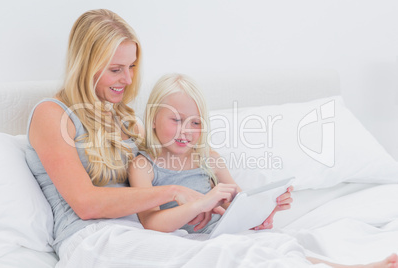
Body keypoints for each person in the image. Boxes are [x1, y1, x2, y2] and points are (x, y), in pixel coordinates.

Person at [25, 8, 397, 268]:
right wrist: (175, 195)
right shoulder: (53, 115)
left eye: (133, 66)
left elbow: (174, 169)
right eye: (115, 69)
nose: (126, 78)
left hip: (144, 232)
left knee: (255, 246)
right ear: (86, 64)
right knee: (223, 257)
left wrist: (223, 208)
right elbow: (87, 203)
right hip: (92, 242)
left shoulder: (125, 121)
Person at [129, 73, 398, 268]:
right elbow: (150, 222)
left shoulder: (208, 157)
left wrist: (266, 211)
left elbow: (238, 203)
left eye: (195, 122)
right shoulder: (143, 166)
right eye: (175, 120)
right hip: (196, 242)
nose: (186, 130)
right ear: (153, 119)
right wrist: (200, 205)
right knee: (259, 254)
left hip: (225, 233)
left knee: (280, 246)